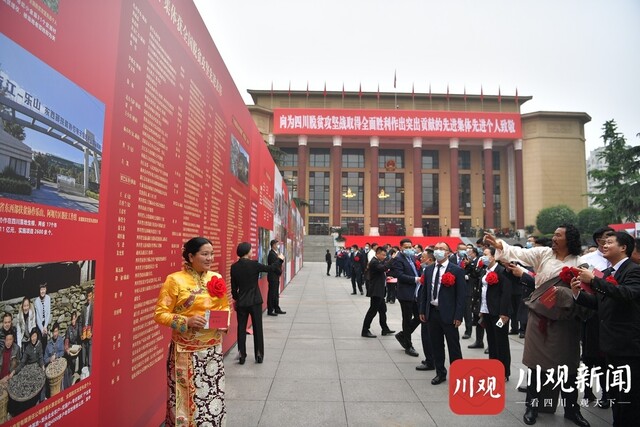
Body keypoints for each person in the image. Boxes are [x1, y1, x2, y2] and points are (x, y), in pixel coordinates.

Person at [484, 225, 590, 427]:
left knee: (568, 367)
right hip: (540, 316)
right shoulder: (544, 254)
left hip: (565, 321)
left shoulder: (580, 262)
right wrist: (500, 245)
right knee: (536, 366)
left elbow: (584, 293)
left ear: (569, 239)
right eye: (554, 234)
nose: (554, 238)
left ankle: (572, 410)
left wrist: (564, 293)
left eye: (558, 235)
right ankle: (532, 406)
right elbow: (520, 253)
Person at [154, 237, 230, 427]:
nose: (210, 258)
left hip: (212, 352)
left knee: (212, 400)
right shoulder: (175, 280)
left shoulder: (216, 278)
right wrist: (186, 321)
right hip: (185, 352)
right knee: (185, 403)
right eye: (205, 254)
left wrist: (224, 324)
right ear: (190, 256)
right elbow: (160, 314)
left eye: (211, 254)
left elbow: (225, 307)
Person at [572, 231, 640, 427]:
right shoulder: (610, 272)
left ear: (623, 247)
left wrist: (594, 280)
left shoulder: (634, 270)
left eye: (609, 242)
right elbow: (601, 303)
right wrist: (577, 294)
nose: (604, 245)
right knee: (617, 394)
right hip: (610, 344)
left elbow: (626, 293)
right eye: (603, 242)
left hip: (628, 345)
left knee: (629, 396)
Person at [418, 241, 466, 385]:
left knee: (453, 346)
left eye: (441, 249)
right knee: (436, 345)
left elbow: (461, 296)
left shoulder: (456, 270)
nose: (438, 251)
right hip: (432, 312)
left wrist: (458, 315)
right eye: (436, 248)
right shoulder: (429, 269)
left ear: (448, 252)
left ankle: (459, 374)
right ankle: (440, 373)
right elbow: (425, 292)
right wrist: (422, 310)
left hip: (449, 314)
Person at [231, 242, 284, 364]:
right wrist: (280, 260)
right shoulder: (254, 265)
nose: (252, 252)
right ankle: (259, 354)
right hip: (255, 301)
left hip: (242, 302)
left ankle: (242, 355)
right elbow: (270, 268)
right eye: (251, 250)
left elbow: (234, 288)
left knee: (241, 328)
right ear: (247, 252)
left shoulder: (234, 267)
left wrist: (237, 299)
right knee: (257, 328)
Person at [478, 248, 512, 380]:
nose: (483, 257)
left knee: (501, 341)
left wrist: (503, 313)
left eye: (485, 255)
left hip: (499, 314)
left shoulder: (502, 271)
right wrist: (481, 309)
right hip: (487, 311)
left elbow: (506, 294)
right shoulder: (484, 271)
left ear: (493, 257)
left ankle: (504, 371)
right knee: (491, 340)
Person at [391, 238, 422, 357]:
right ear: (401, 248)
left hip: (415, 292)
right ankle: (408, 346)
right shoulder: (398, 259)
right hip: (405, 294)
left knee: (419, 317)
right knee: (407, 319)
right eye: (406, 247)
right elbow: (399, 275)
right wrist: (416, 279)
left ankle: (403, 335)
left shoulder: (412, 257)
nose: (409, 249)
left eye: (410, 247)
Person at [361, 247, 396, 338]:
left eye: (385, 255)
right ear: (378, 254)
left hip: (380, 290)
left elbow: (379, 273)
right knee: (372, 311)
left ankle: (385, 329)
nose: (384, 257)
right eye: (383, 255)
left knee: (383, 310)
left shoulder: (378, 261)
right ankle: (365, 330)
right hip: (376, 291)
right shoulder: (374, 262)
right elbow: (383, 268)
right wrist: (392, 259)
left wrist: (386, 278)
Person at [267, 239, 286, 315]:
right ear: (273, 245)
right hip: (273, 277)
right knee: (272, 293)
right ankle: (270, 310)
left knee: (275, 293)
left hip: (275, 276)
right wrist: (280, 271)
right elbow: (274, 266)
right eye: (277, 244)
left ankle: (276, 308)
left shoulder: (276, 253)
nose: (278, 246)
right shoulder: (271, 254)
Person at [63, 311, 82, 388]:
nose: (73, 321)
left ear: (76, 319)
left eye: (74, 319)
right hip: (71, 347)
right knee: (71, 360)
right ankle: (71, 376)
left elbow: (80, 337)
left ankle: (77, 374)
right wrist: (66, 348)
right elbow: (67, 339)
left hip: (77, 347)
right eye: (72, 319)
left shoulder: (78, 327)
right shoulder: (69, 328)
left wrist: (80, 345)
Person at [34, 282, 51, 350]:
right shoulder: (36, 301)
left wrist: (45, 326)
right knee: (39, 342)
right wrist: (42, 329)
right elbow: (37, 316)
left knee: (45, 342)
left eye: (44, 289)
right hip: (39, 324)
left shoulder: (48, 298)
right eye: (41, 289)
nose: (42, 291)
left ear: (46, 290)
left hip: (45, 323)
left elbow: (48, 313)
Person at [81, 288, 94, 372]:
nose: (88, 298)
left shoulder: (94, 307)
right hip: (84, 333)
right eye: (87, 296)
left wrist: (92, 332)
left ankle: (90, 374)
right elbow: (80, 322)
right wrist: (80, 334)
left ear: (92, 296)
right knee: (83, 358)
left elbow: (96, 322)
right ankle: (83, 375)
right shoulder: (83, 307)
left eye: (90, 296)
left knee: (89, 359)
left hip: (90, 334)